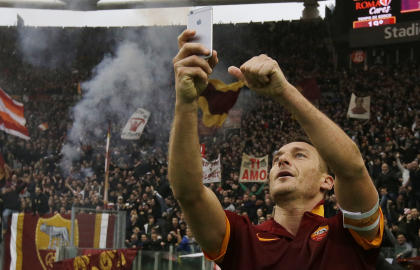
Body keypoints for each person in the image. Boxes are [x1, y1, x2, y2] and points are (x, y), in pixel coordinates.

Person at [168, 29, 383, 269]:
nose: (282, 161)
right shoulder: (241, 239)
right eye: (277, 158)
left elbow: (352, 168)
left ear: (327, 181)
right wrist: (186, 102)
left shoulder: (351, 234)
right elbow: (189, 194)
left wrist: (284, 91)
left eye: (299, 155)